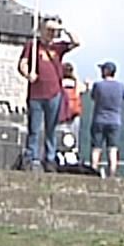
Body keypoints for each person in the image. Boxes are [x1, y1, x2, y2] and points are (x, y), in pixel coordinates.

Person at [19, 17, 77, 171]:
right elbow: (22, 63)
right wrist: (28, 74)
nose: (51, 33)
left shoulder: (58, 48)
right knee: (34, 128)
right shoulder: (32, 45)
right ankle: (31, 157)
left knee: (51, 129)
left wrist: (63, 28)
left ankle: (50, 159)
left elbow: (76, 42)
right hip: (36, 94)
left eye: (53, 31)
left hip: (54, 94)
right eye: (49, 30)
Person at [84, 62, 124, 179]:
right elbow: (123, 98)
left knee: (96, 147)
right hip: (115, 120)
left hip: (99, 119)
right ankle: (112, 173)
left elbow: (93, 97)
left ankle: (94, 169)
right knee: (112, 148)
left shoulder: (98, 85)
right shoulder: (121, 86)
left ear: (106, 71)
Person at [59, 62, 84, 159]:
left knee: (59, 135)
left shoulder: (59, 82)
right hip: (74, 113)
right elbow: (83, 89)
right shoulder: (76, 84)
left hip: (61, 113)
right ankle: (73, 154)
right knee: (74, 137)